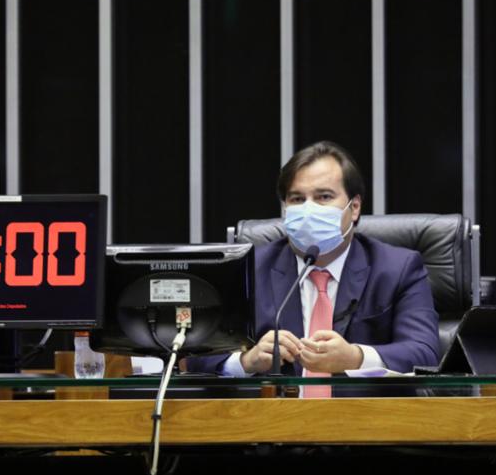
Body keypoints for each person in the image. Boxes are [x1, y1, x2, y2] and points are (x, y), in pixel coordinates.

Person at [188, 141, 441, 389]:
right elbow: (194, 357)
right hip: (271, 422)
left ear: (354, 207)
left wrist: (355, 358)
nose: (308, 209)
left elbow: (425, 353)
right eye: (297, 199)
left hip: (368, 421)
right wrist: (246, 361)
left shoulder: (398, 268)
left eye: (323, 197)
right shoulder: (249, 269)